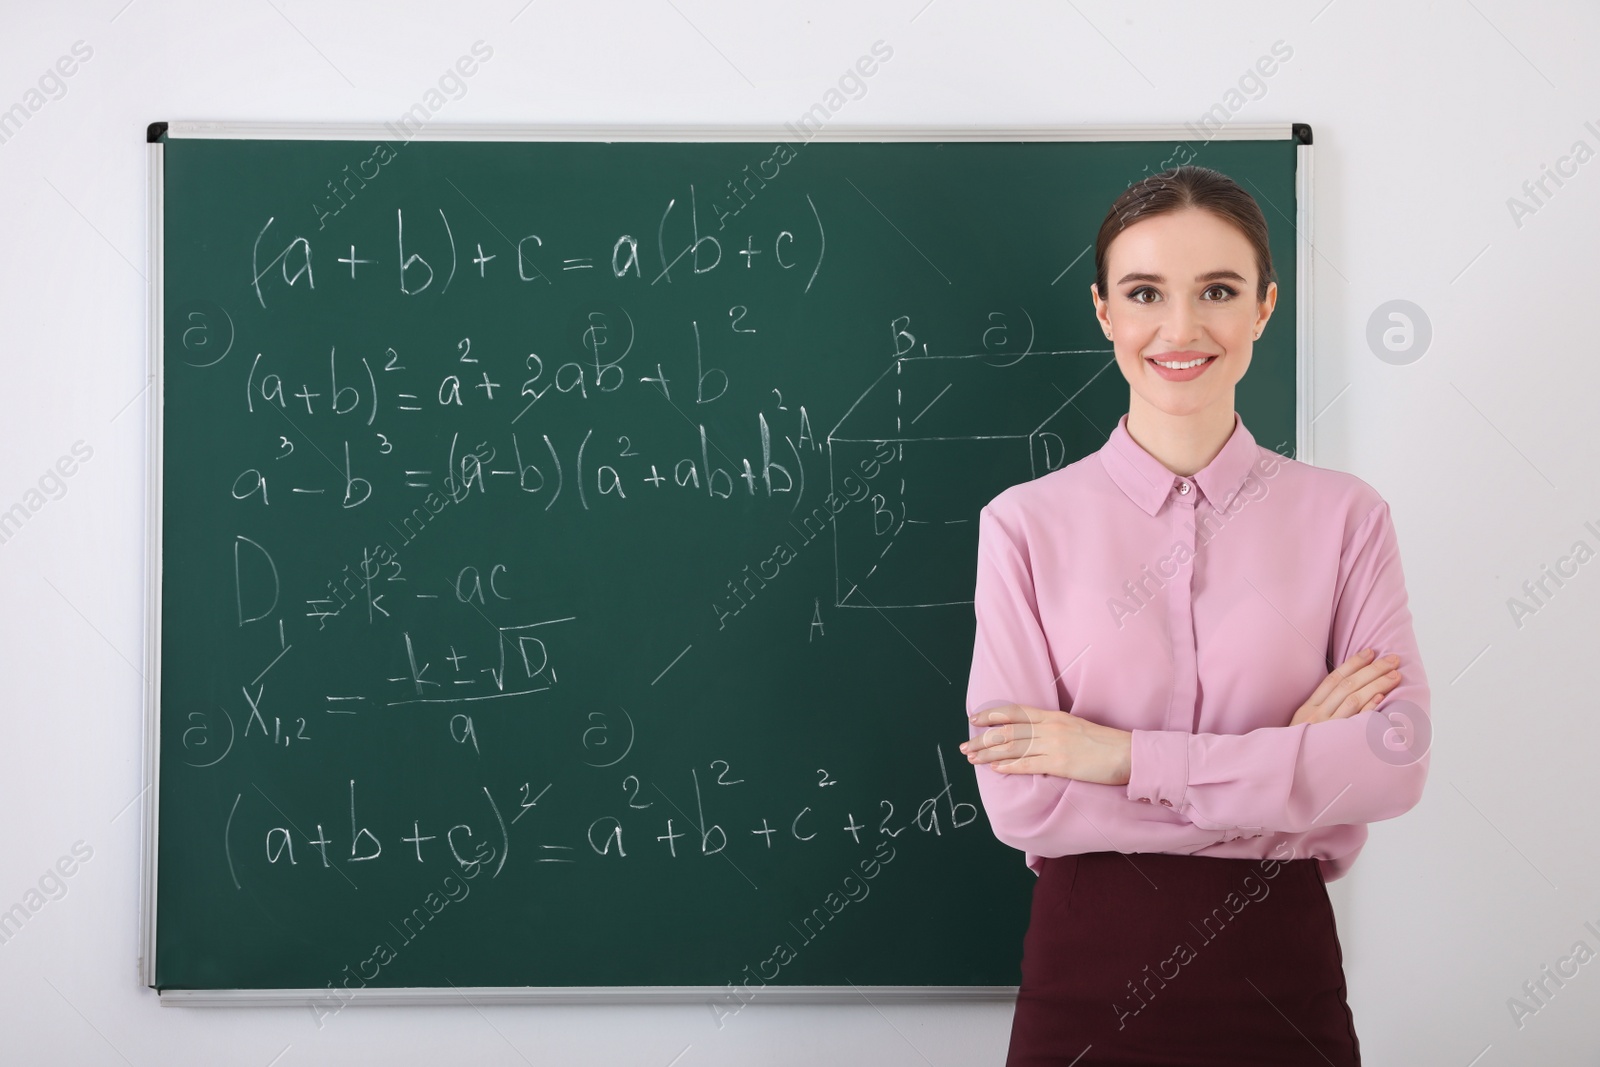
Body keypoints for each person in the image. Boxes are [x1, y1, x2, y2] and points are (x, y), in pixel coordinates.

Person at [960, 164, 1430, 1066]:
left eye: (1218, 290)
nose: (1181, 329)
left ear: (1264, 306)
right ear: (1104, 312)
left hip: (1281, 974)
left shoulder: (1346, 517)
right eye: (1145, 293)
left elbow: (1392, 762)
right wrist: (1293, 768)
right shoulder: (1022, 524)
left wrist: (1118, 756)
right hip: (1083, 978)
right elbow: (1021, 800)